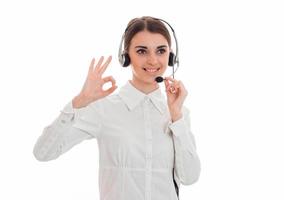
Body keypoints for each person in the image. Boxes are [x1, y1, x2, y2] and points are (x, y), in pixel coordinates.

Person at [33, 16, 200, 200]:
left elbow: (190, 177)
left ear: (171, 56)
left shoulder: (179, 113)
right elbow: (43, 153)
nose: (153, 60)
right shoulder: (104, 109)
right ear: (126, 56)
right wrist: (79, 102)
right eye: (142, 51)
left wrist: (177, 117)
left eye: (161, 50)